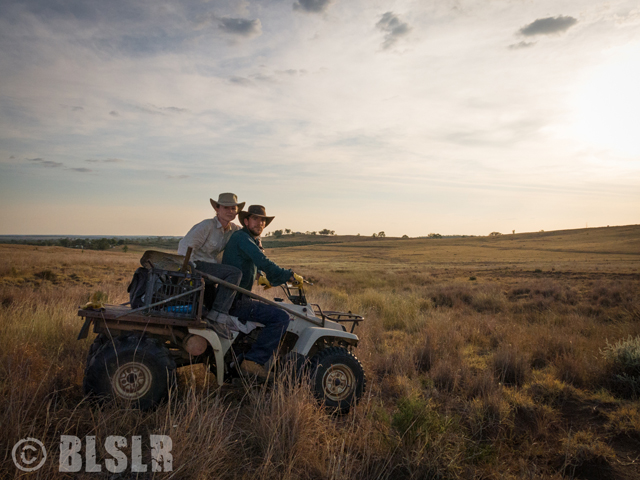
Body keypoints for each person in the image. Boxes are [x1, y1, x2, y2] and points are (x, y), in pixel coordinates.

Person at [222, 205, 303, 378]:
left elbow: (251, 263)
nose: (260, 223)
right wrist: (287, 275)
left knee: (269, 310)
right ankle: (253, 361)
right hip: (235, 300)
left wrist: (261, 276)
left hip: (233, 297)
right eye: (256, 219)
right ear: (246, 221)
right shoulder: (242, 238)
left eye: (263, 220)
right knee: (281, 317)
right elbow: (262, 260)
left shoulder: (246, 239)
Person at [177, 193, 244, 325]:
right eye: (226, 208)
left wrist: (259, 243)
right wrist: (188, 269)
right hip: (197, 266)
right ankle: (219, 314)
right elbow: (185, 245)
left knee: (208, 305)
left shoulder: (234, 229)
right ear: (217, 209)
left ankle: (214, 319)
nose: (230, 211)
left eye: (233, 208)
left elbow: (247, 237)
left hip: (211, 270)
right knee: (234, 273)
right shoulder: (207, 225)